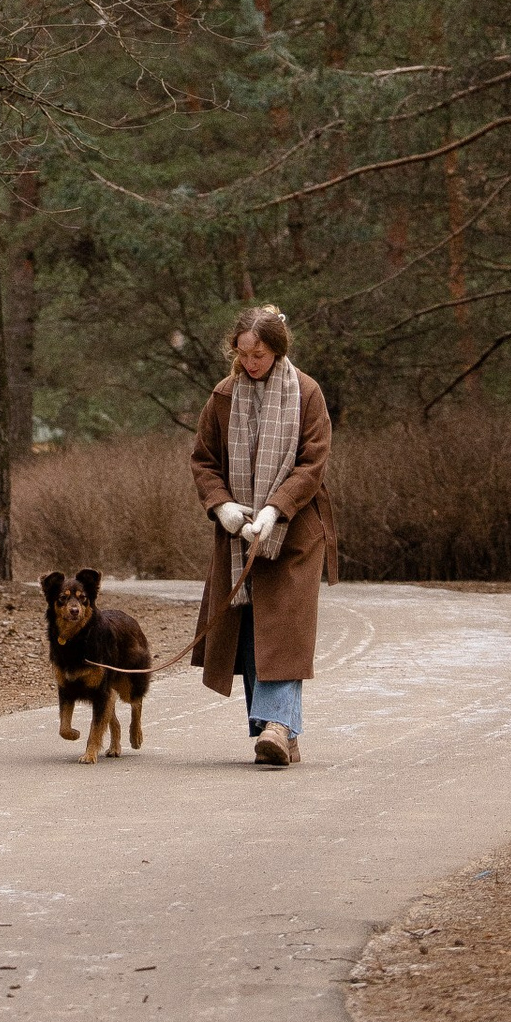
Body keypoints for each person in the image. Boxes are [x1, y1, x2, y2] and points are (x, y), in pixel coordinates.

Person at [190, 304, 334, 766]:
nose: (251, 362)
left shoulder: (307, 393)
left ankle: (274, 726)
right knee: (252, 628)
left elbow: (313, 464)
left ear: (278, 350)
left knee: (283, 629)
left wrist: (276, 508)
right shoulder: (223, 396)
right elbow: (204, 460)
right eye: (245, 352)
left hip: (294, 533)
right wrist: (222, 506)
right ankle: (281, 732)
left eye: (261, 354)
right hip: (237, 535)